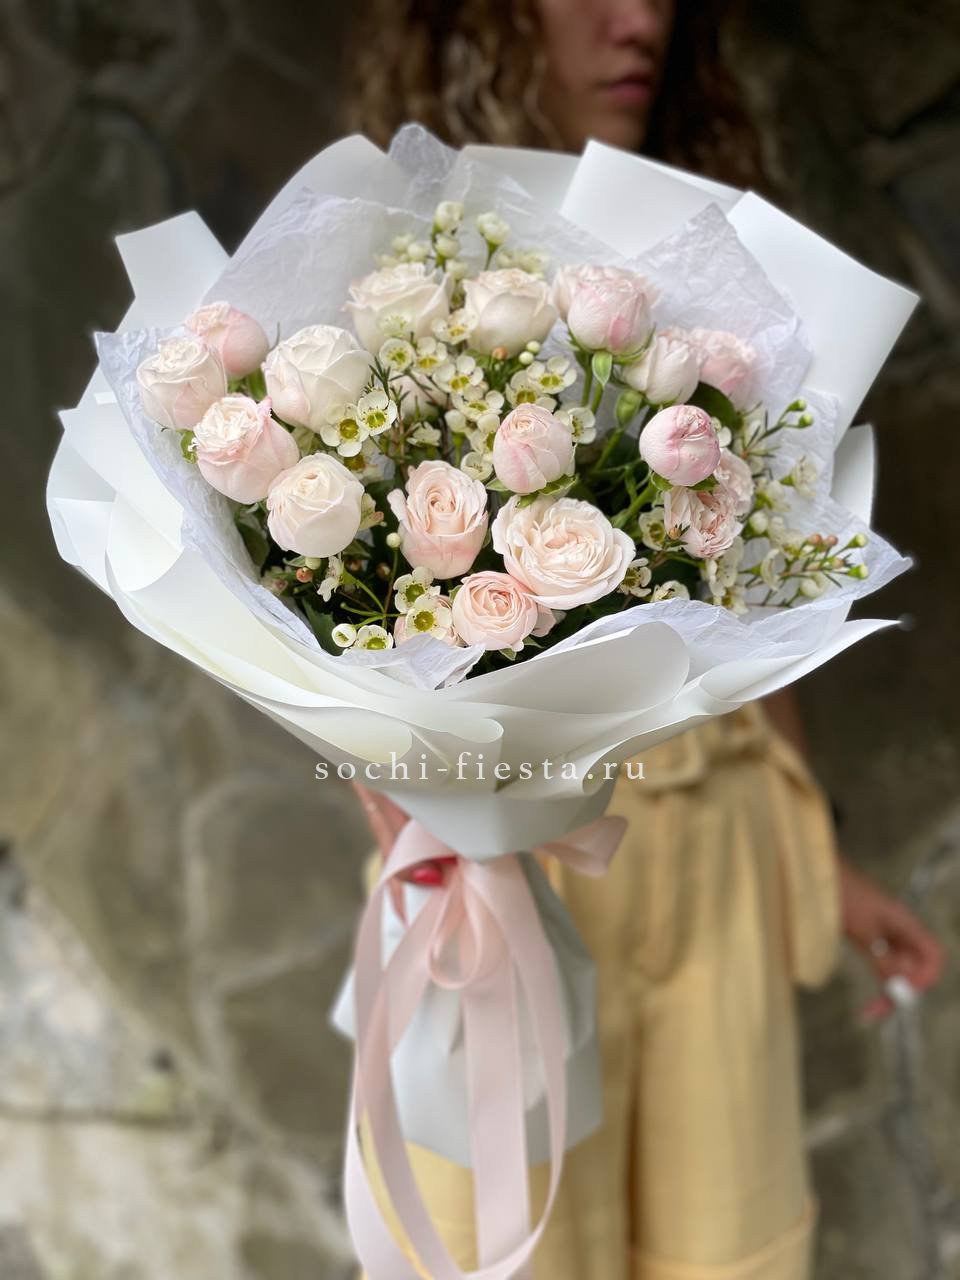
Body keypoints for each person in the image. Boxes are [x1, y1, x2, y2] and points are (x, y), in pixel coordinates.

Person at [346, 2, 945, 1276]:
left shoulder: (719, 251)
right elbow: (315, 591)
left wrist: (819, 857)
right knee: (508, 1247)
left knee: (723, 1245)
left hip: (717, 831)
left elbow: (758, 591)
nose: (641, 20)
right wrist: (398, 812)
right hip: (502, 853)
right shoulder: (394, 255)